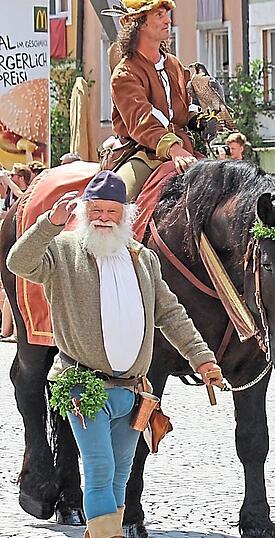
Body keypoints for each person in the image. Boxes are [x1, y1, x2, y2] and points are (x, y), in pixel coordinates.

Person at [6, 170, 222, 538]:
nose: (104, 217)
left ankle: (101, 533)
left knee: (121, 471)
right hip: (81, 386)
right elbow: (18, 262)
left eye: (112, 210)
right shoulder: (62, 249)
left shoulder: (143, 258)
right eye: (97, 210)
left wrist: (202, 358)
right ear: (84, 212)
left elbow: (169, 312)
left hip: (133, 391)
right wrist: (49, 224)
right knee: (101, 467)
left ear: (126, 214)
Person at [107, 0, 203, 198]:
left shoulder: (174, 64)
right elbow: (142, 121)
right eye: (159, 15)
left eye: (167, 14)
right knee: (117, 199)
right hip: (141, 152)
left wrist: (198, 120)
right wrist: (174, 149)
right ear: (140, 23)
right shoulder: (125, 73)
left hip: (185, 149)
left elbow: (186, 104)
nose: (168, 20)